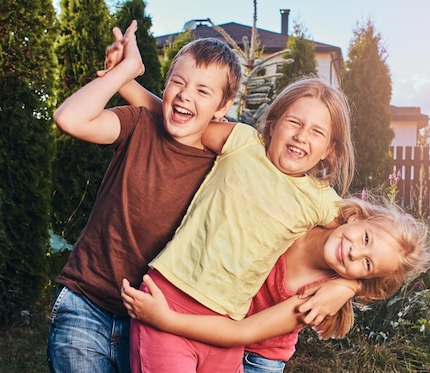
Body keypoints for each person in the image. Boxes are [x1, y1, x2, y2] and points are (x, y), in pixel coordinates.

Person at [108, 39, 357, 370]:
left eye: (316, 132)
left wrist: (346, 286)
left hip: (225, 324)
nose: (301, 136)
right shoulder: (241, 142)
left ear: (328, 150)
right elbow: (184, 120)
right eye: (294, 122)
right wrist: (124, 80)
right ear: (274, 122)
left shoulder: (321, 200)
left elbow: (371, 248)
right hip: (170, 294)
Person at [46, 20, 243, 373]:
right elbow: (69, 118)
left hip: (153, 324)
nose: (184, 95)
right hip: (85, 302)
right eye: (177, 83)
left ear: (223, 106)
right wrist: (124, 73)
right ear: (165, 86)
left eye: (203, 90)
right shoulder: (138, 124)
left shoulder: (224, 163)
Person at [122, 196, 430, 372]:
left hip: (255, 357)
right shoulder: (307, 213)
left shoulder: (314, 298)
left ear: (364, 278)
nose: (355, 251)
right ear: (356, 218)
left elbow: (241, 334)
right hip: (219, 326)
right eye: (366, 238)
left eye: (366, 264)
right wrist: (350, 287)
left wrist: (167, 320)